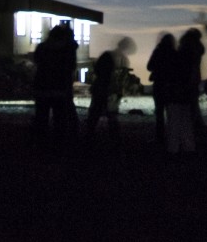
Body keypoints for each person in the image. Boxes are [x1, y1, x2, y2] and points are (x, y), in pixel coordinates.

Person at [32, 22, 79, 152]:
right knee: (59, 119)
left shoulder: (42, 47)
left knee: (41, 118)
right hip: (59, 89)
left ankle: (41, 145)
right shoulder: (66, 50)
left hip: (42, 88)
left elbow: (36, 61)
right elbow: (71, 67)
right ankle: (58, 146)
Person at [83, 36, 137, 147]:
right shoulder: (123, 59)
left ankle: (89, 137)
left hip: (101, 87)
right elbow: (123, 77)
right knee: (112, 115)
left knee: (95, 112)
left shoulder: (108, 55)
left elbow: (98, 69)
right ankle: (114, 139)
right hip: (113, 90)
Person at [173, 28, 207, 152]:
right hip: (193, 81)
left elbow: (186, 66)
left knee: (189, 110)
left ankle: (190, 136)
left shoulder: (187, 49)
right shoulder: (197, 49)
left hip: (186, 81)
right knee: (193, 108)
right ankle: (198, 134)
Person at [146, 32, 177, 147]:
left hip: (159, 84)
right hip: (170, 86)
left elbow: (149, 66)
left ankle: (160, 137)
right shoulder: (174, 53)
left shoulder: (158, 51)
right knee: (170, 113)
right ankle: (171, 137)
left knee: (159, 112)